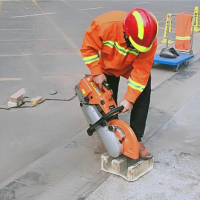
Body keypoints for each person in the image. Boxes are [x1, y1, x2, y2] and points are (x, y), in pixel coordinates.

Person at [80, 8, 158, 159]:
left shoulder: (148, 42)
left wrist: (129, 99)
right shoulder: (105, 25)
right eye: (134, 45)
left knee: (142, 91)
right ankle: (110, 136)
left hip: (130, 67)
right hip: (107, 67)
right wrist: (96, 72)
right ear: (125, 32)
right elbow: (88, 48)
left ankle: (136, 139)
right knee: (106, 101)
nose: (136, 49)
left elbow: (141, 71)